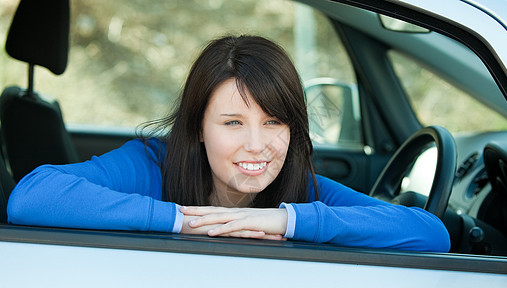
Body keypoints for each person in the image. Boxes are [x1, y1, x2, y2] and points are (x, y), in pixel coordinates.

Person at [7, 35, 450, 252]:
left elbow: (431, 234)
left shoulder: (303, 191)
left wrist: (282, 222)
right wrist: (185, 222)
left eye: (274, 121)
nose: (257, 145)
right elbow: (31, 196)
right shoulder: (150, 165)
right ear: (198, 126)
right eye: (233, 122)